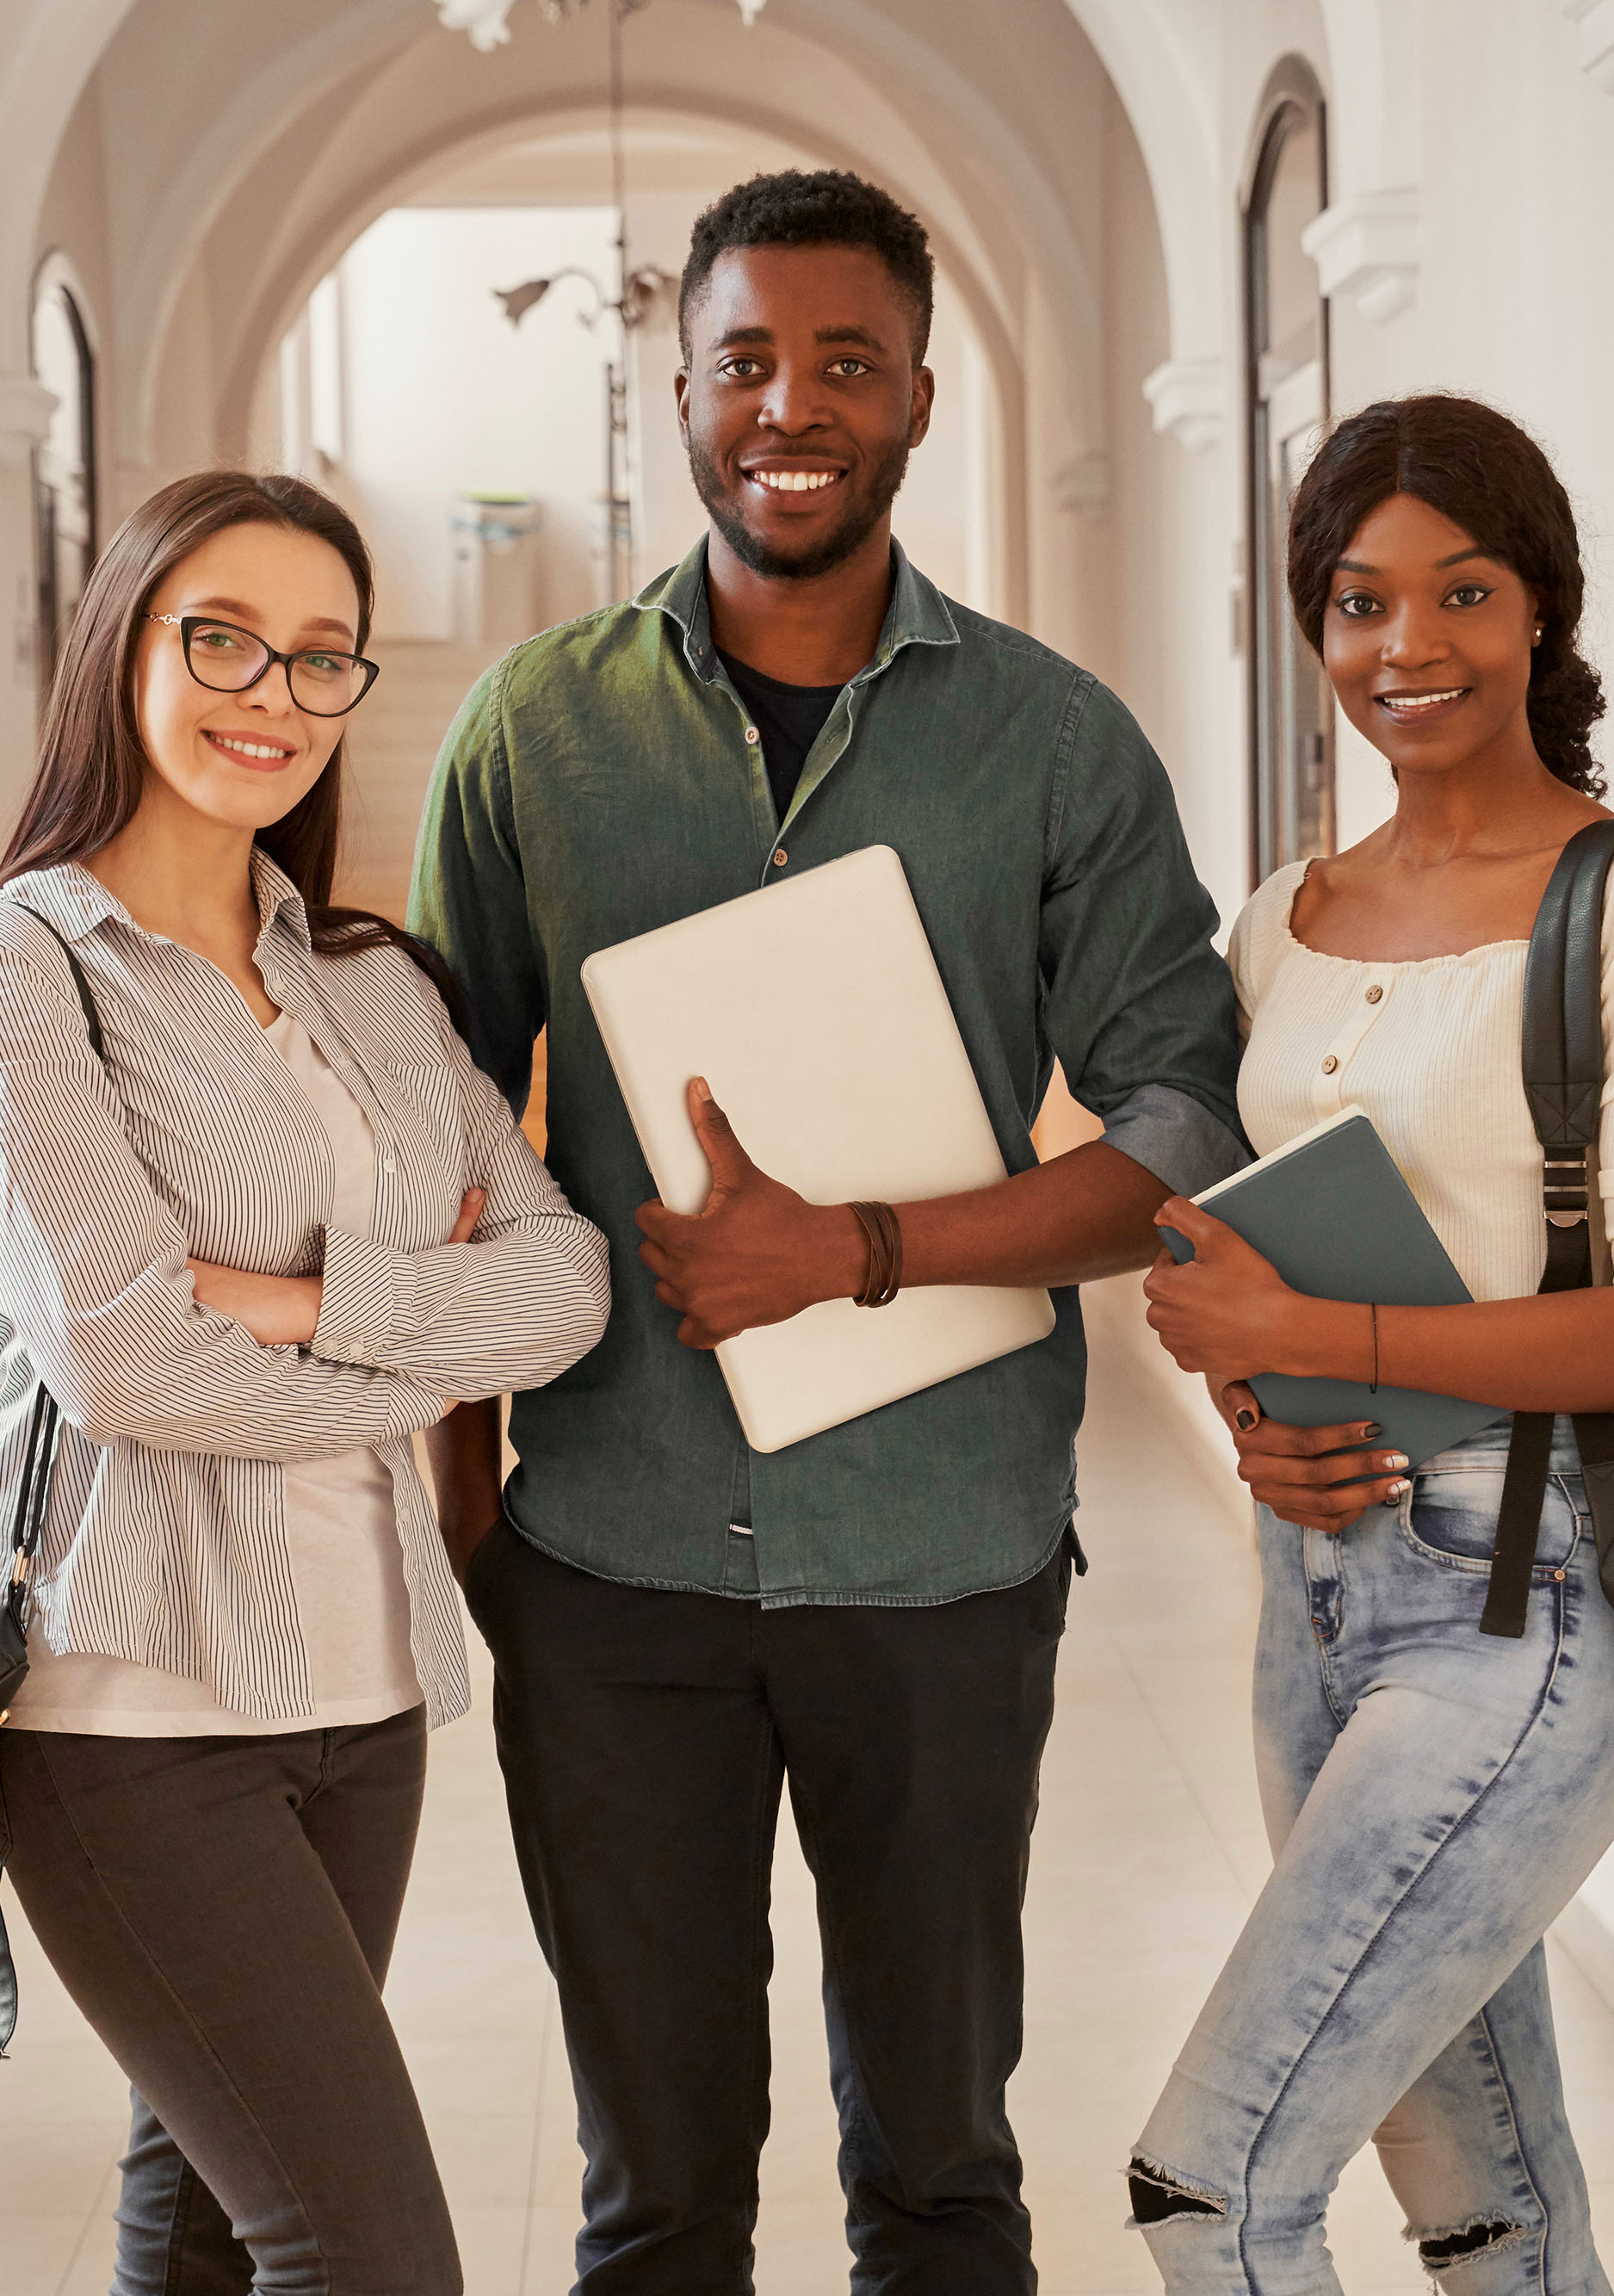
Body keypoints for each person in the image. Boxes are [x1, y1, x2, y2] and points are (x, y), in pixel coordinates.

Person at [411, 168, 1244, 2295]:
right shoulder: (528, 731)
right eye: (746, 360)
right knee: (654, 2205)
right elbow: (432, 1138)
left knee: (943, 2183)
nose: (791, 403)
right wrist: (473, 1515)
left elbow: (1172, 1121)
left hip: (943, 1560)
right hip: (608, 1565)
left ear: (918, 397)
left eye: (844, 361)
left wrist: (856, 1247)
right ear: (679, 389)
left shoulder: (1055, 741)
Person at [0, 470, 609, 2296]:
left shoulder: (371, 982)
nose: (272, 691)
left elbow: (567, 1286)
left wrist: (288, 1302)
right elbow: (121, 1360)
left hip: (366, 1686)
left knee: (202, 2213)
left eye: (321, 654)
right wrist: (418, 1344)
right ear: (123, 645)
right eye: (224, 639)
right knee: (365, 2253)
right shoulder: (29, 965)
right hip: (130, 1710)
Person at [1136, 393, 1614, 2296]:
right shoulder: (1286, 918)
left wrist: (1302, 1325)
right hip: (1313, 1592)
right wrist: (1258, 1401)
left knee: (1211, 2187)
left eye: (1461, 590)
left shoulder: (1602, 904)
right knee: (1487, 2207)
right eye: (1357, 601)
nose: (1407, 643)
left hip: (1522, 1598)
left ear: (1539, 606)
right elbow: (1243, 1241)